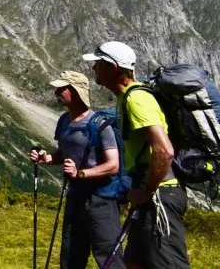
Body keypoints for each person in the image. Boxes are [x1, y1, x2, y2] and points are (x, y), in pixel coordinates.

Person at [85, 41, 189, 269]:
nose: (94, 69)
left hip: (159, 195)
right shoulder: (128, 97)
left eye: (98, 64)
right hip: (151, 193)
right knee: (134, 263)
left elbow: (164, 150)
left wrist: (146, 191)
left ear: (113, 67)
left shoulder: (136, 99)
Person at [29, 70, 124, 268]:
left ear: (76, 91)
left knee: (108, 256)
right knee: (71, 255)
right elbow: (64, 153)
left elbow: (113, 165)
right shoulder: (64, 121)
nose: (56, 92)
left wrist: (80, 174)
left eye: (61, 88)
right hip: (75, 196)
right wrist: (47, 158)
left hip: (101, 198)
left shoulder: (100, 124)